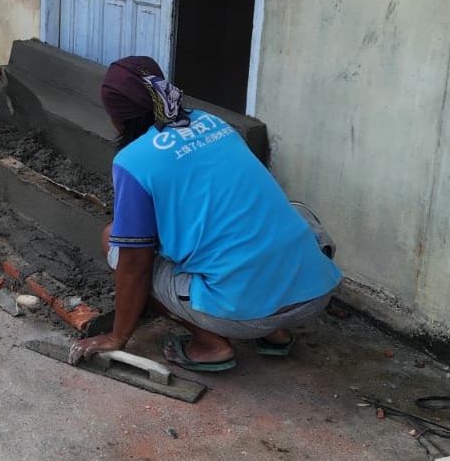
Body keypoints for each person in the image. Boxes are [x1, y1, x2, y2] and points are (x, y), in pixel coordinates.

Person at [68, 56, 341, 372]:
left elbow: (135, 265)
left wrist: (117, 337)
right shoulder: (213, 123)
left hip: (246, 313)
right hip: (315, 294)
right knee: (292, 212)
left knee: (114, 241)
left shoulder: (133, 161)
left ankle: (211, 343)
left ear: (116, 119)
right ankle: (274, 333)